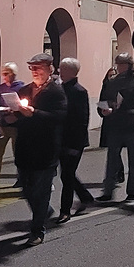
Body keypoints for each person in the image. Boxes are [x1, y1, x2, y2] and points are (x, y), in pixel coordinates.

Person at [6, 54, 67, 246]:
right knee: (27, 189)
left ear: (49, 69)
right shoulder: (24, 90)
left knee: (41, 191)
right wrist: (11, 117)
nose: (35, 71)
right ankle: (44, 211)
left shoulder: (56, 92)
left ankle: (37, 230)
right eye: (32, 68)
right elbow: (19, 116)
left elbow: (58, 118)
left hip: (45, 149)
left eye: (38, 68)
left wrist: (34, 113)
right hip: (25, 148)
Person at [96, 53, 134, 202]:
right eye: (119, 64)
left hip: (131, 122)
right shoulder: (112, 82)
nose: (120, 67)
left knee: (133, 159)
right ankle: (108, 191)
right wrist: (104, 110)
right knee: (112, 158)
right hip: (115, 122)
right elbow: (104, 100)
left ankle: (133, 192)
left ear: (129, 66)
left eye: (123, 64)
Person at [57, 58, 94, 223]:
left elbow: (82, 120)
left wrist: (75, 145)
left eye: (63, 69)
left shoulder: (79, 91)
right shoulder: (60, 89)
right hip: (61, 139)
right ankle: (85, 197)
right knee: (66, 174)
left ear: (72, 72)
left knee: (67, 175)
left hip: (74, 141)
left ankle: (65, 211)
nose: (60, 72)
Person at [0, 63, 25, 189]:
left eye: (7, 74)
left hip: (16, 125)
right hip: (3, 124)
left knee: (18, 154)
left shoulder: (22, 88)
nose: (4, 76)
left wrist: (15, 111)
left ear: (13, 74)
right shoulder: (1, 88)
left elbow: (24, 105)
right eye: (3, 73)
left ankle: (21, 178)